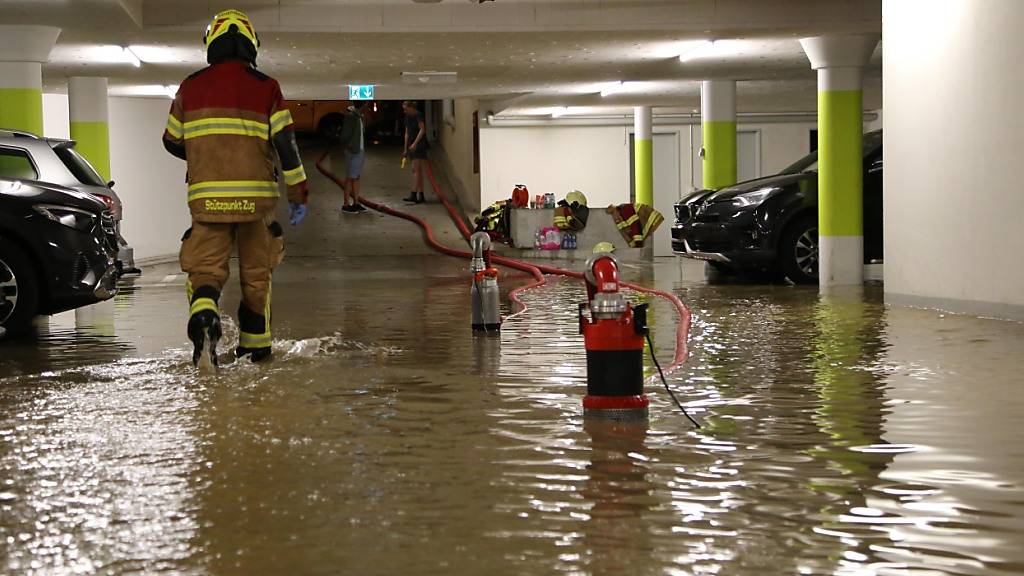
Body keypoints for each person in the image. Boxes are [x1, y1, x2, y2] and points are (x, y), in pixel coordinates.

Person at [162, 9, 309, 367]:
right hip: (256, 202)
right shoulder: (266, 86)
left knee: (204, 270)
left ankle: (205, 314)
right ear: (251, 44)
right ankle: (255, 351)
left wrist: (203, 155)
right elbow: (285, 143)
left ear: (211, 43)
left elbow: (171, 139)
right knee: (257, 275)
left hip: (207, 200)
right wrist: (298, 191)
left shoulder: (190, 86)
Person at [340, 101, 367, 214]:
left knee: (356, 177)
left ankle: (356, 202)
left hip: (358, 150)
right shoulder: (351, 117)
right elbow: (345, 135)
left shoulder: (359, 117)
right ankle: (346, 204)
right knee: (350, 177)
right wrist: (350, 146)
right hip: (354, 150)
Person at [402, 101, 428, 204]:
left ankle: (413, 193)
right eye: (404, 109)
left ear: (411, 108)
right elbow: (407, 133)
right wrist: (405, 148)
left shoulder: (418, 115)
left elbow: (422, 130)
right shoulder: (407, 117)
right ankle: (421, 194)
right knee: (418, 170)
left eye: (406, 109)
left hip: (419, 145)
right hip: (412, 145)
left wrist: (415, 143)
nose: (405, 111)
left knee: (415, 169)